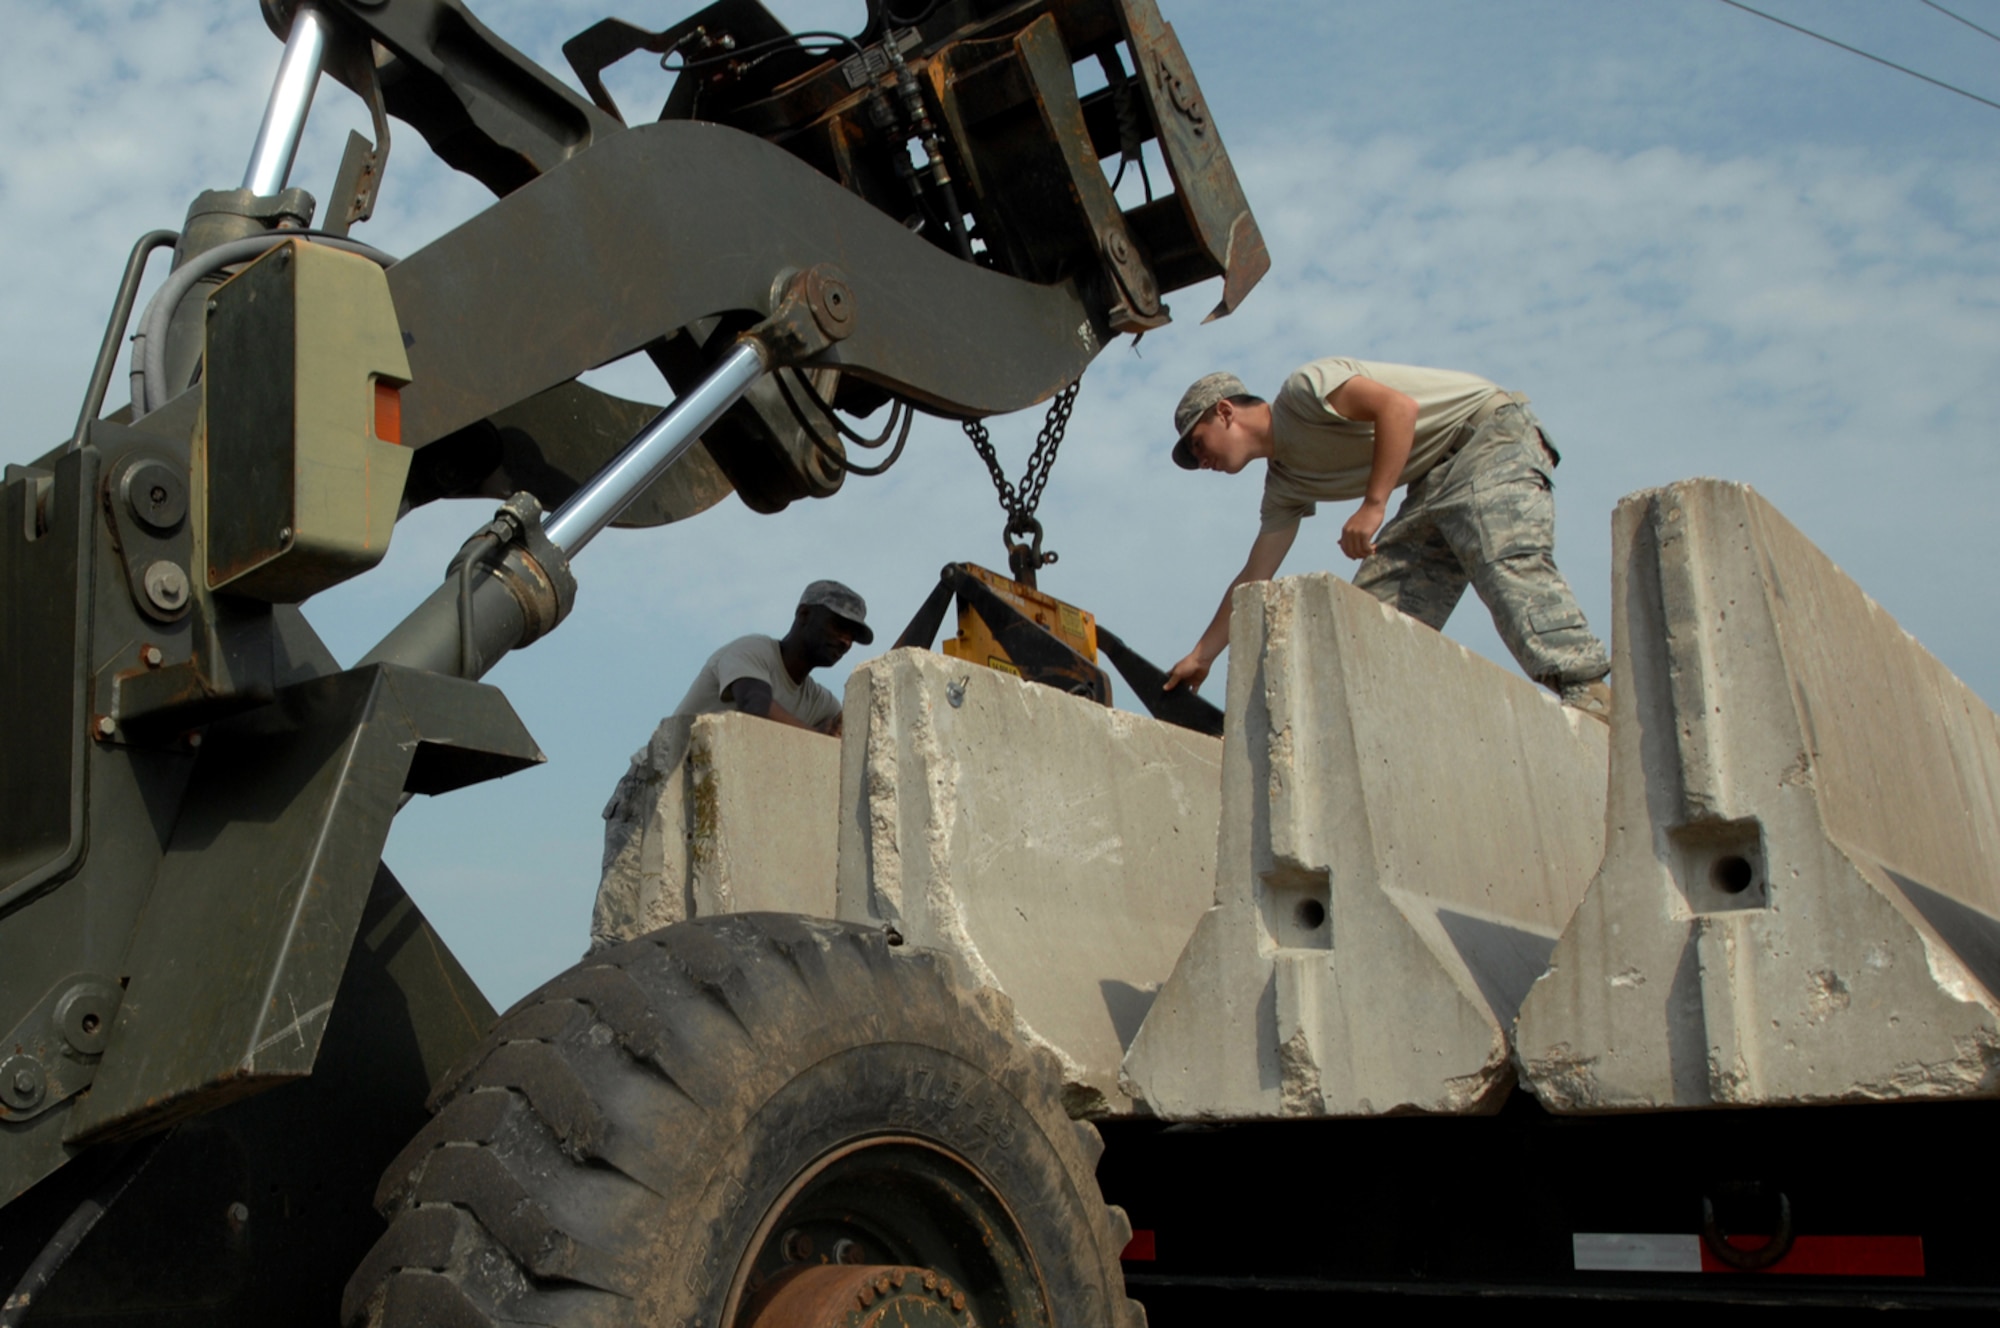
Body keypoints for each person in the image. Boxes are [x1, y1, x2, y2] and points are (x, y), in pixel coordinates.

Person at [1161, 360, 1610, 718]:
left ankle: (1588, 692)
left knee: (1499, 556)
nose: (1202, 461)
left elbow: (1398, 408)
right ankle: (1381, 732)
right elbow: (1253, 575)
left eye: (1199, 444)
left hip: (1487, 438)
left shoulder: (1304, 391)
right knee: (1366, 619)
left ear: (1224, 412)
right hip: (1433, 479)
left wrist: (1374, 505)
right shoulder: (1284, 485)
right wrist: (1203, 654)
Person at [672, 579, 874, 737]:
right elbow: (755, 705)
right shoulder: (754, 650)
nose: (846, 642)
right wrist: (816, 737)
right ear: (804, 614)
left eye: (852, 636)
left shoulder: (820, 703)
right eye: (839, 626)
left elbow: (843, 743)